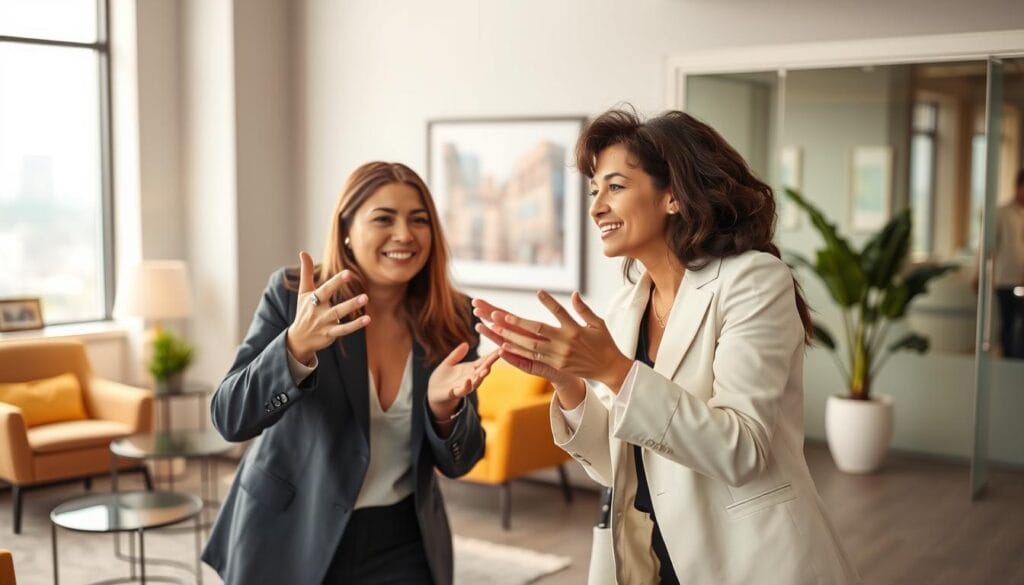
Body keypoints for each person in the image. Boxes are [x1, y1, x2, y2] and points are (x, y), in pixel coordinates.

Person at [474, 108, 859, 584]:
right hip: (649, 558)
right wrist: (568, 382)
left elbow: (742, 450)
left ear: (674, 195)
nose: (596, 207)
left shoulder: (755, 281)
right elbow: (614, 466)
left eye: (614, 187)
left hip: (749, 559)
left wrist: (615, 371)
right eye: (595, 190)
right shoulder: (623, 310)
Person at [202, 161, 498, 585]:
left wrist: (444, 411)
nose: (404, 235)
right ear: (345, 227)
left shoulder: (452, 317)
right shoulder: (293, 298)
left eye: (419, 220)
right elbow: (229, 418)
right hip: (291, 533)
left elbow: (462, 461)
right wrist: (294, 347)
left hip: (403, 541)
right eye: (383, 218)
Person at [993, 169, 1024, 358]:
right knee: (1008, 322)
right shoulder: (1002, 214)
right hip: (1006, 279)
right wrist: (979, 274)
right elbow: (989, 246)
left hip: (1022, 279)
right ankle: (1007, 360)